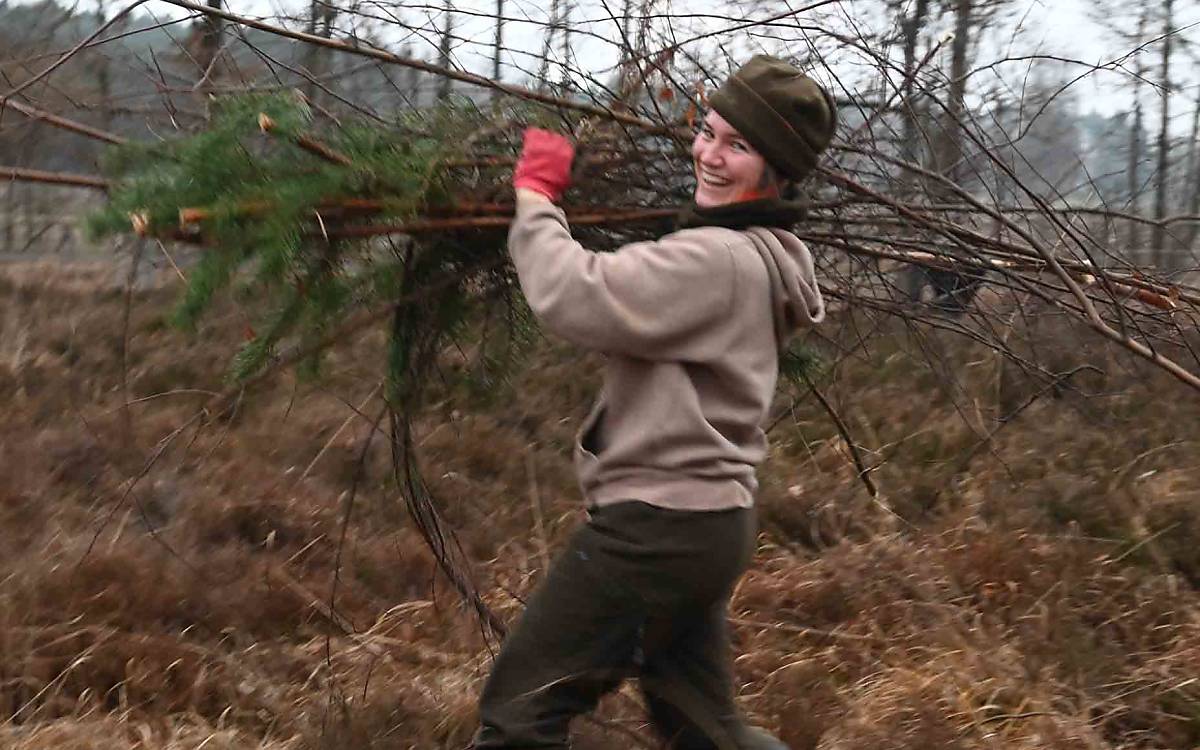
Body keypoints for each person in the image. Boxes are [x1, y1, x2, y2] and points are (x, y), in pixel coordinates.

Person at [472, 55, 837, 750]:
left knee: (520, 711)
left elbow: (575, 293)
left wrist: (537, 197)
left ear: (778, 171)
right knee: (706, 729)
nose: (710, 154)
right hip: (708, 525)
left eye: (740, 146)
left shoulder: (718, 260)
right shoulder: (758, 253)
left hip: (658, 529)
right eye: (708, 132)